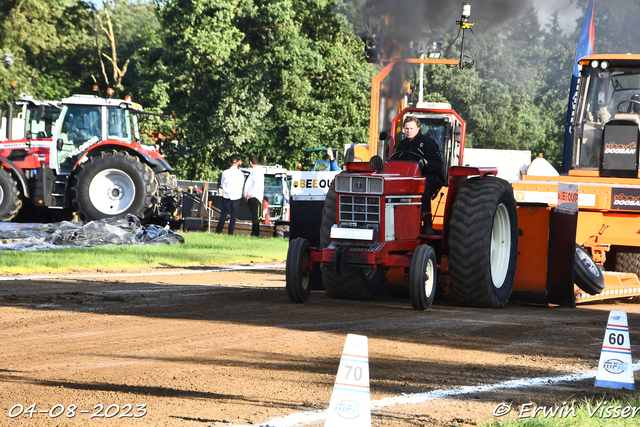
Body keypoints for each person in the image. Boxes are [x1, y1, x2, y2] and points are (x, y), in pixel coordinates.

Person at [395, 116, 444, 235]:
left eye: (411, 128)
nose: (408, 131)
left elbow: (438, 164)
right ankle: (398, 222)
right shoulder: (402, 145)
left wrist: (426, 163)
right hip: (408, 177)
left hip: (429, 175)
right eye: (406, 128)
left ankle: (427, 223)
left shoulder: (428, 143)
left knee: (423, 186)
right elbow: (396, 160)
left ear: (418, 128)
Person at [215, 156, 244, 235]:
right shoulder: (240, 174)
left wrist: (226, 190)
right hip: (236, 196)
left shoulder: (225, 172)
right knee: (233, 215)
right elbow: (241, 185)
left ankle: (218, 231)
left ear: (230, 163)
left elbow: (222, 183)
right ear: (238, 163)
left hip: (227, 195)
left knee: (223, 214)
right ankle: (230, 232)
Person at [244, 154, 265, 237]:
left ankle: (255, 233)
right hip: (254, 196)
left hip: (254, 196)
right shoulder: (256, 171)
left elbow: (256, 185)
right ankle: (255, 232)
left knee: (254, 216)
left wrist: (249, 194)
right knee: (254, 216)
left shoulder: (257, 172)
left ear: (250, 162)